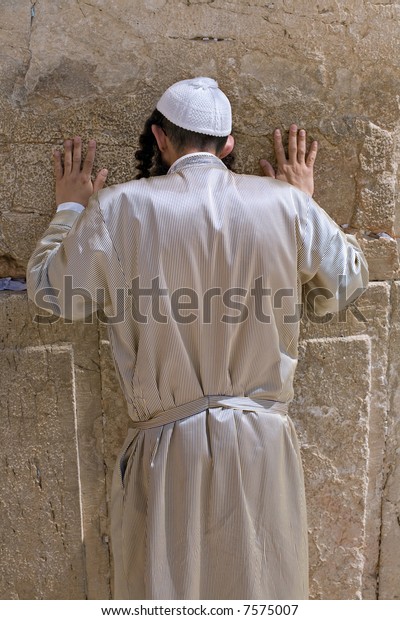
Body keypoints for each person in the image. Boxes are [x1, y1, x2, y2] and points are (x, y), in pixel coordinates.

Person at [27, 77, 369, 600]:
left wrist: (71, 210)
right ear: (229, 145)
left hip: (168, 454)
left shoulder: (120, 209)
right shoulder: (285, 207)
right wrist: (301, 205)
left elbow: (53, 297)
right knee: (263, 591)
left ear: (160, 139)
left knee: (167, 594)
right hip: (262, 448)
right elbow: (345, 283)